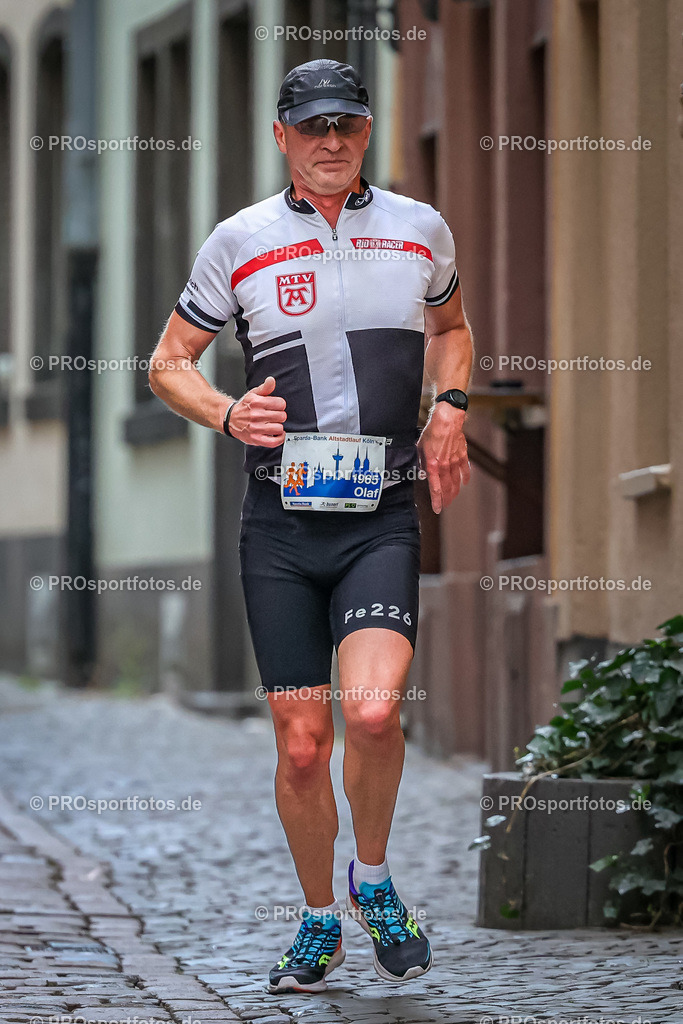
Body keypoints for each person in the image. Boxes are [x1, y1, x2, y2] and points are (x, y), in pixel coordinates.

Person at [149, 57, 473, 994]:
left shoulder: (418, 229)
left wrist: (450, 405)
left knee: (370, 712)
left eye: (347, 124)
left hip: (379, 516)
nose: (331, 141)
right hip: (279, 529)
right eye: (313, 126)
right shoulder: (240, 240)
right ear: (281, 136)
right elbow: (168, 363)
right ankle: (319, 918)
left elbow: (451, 329)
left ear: (366, 129)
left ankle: (373, 881)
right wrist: (225, 413)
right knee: (301, 745)